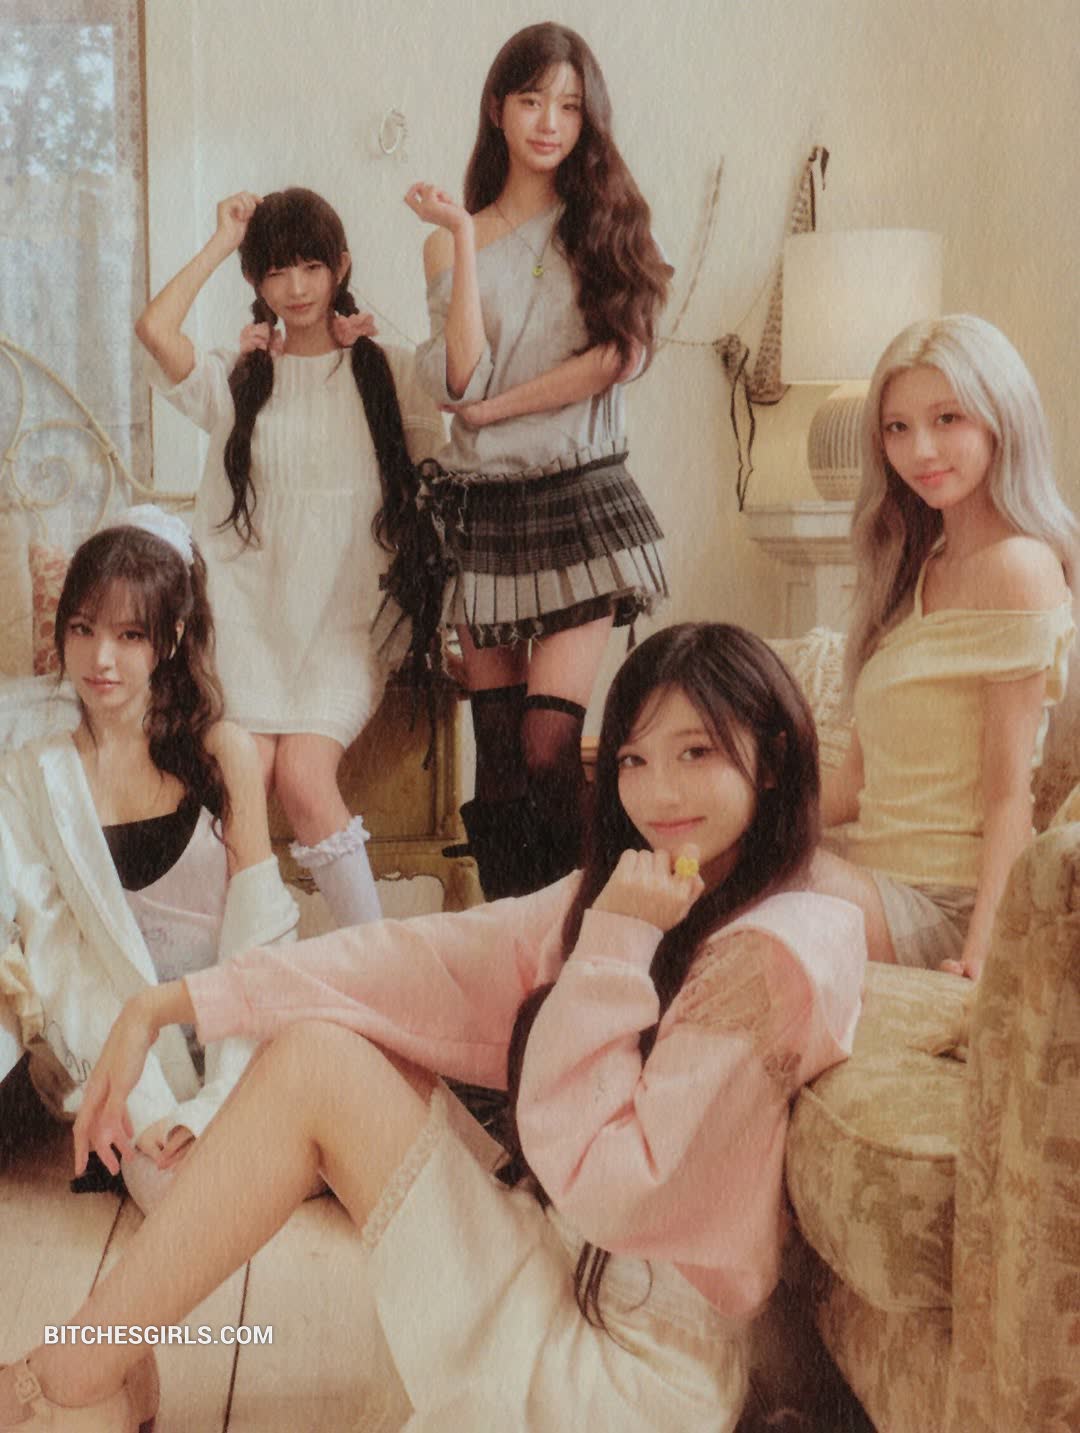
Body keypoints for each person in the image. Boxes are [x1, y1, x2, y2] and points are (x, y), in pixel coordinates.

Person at [0, 623, 866, 1432]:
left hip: (633, 1378)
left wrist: (616, 946)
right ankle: (101, 1359)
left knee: (317, 1067)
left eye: (696, 752)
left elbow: (617, 1189)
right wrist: (167, 1005)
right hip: (577, 1275)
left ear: (774, 758)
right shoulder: (654, 889)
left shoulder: (773, 956)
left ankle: (71, 1377)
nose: (659, 790)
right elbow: (420, 960)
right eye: (635, 758)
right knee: (355, 1033)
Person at [396, 22, 672, 899]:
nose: (550, 122)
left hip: (579, 499)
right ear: (498, 109)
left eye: (569, 105)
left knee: (550, 747)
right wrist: (463, 238)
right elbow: (460, 377)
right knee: (498, 756)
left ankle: (587, 924)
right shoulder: (454, 238)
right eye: (531, 100)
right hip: (485, 510)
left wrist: (497, 410)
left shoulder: (608, 224)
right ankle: (510, 944)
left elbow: (618, 357)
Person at [134, 188, 444, 928]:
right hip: (245, 625)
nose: (296, 288)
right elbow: (153, 328)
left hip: (345, 625)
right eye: (275, 271)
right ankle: (251, 960)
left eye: (311, 267)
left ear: (341, 267)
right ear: (255, 281)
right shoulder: (240, 375)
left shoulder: (389, 371)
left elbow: (456, 414)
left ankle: (378, 960)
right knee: (246, 778)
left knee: (304, 776)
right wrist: (224, 239)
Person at [0, 509, 297, 1211]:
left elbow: (259, 935)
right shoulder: (33, 775)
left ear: (172, 638)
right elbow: (64, 964)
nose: (101, 659)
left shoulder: (223, 751)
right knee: (179, 1194)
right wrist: (150, 1105)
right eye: (83, 629)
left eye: (130, 635)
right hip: (121, 1061)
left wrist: (218, 1100)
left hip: (241, 1035)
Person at [810, 314, 1077, 979]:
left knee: (743, 871)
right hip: (873, 882)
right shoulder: (913, 570)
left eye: (947, 418)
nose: (921, 450)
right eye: (897, 428)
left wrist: (983, 954)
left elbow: (1009, 796)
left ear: (1000, 419)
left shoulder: (1019, 569)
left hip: (949, 903)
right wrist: (743, 811)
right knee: (700, 851)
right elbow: (855, 782)